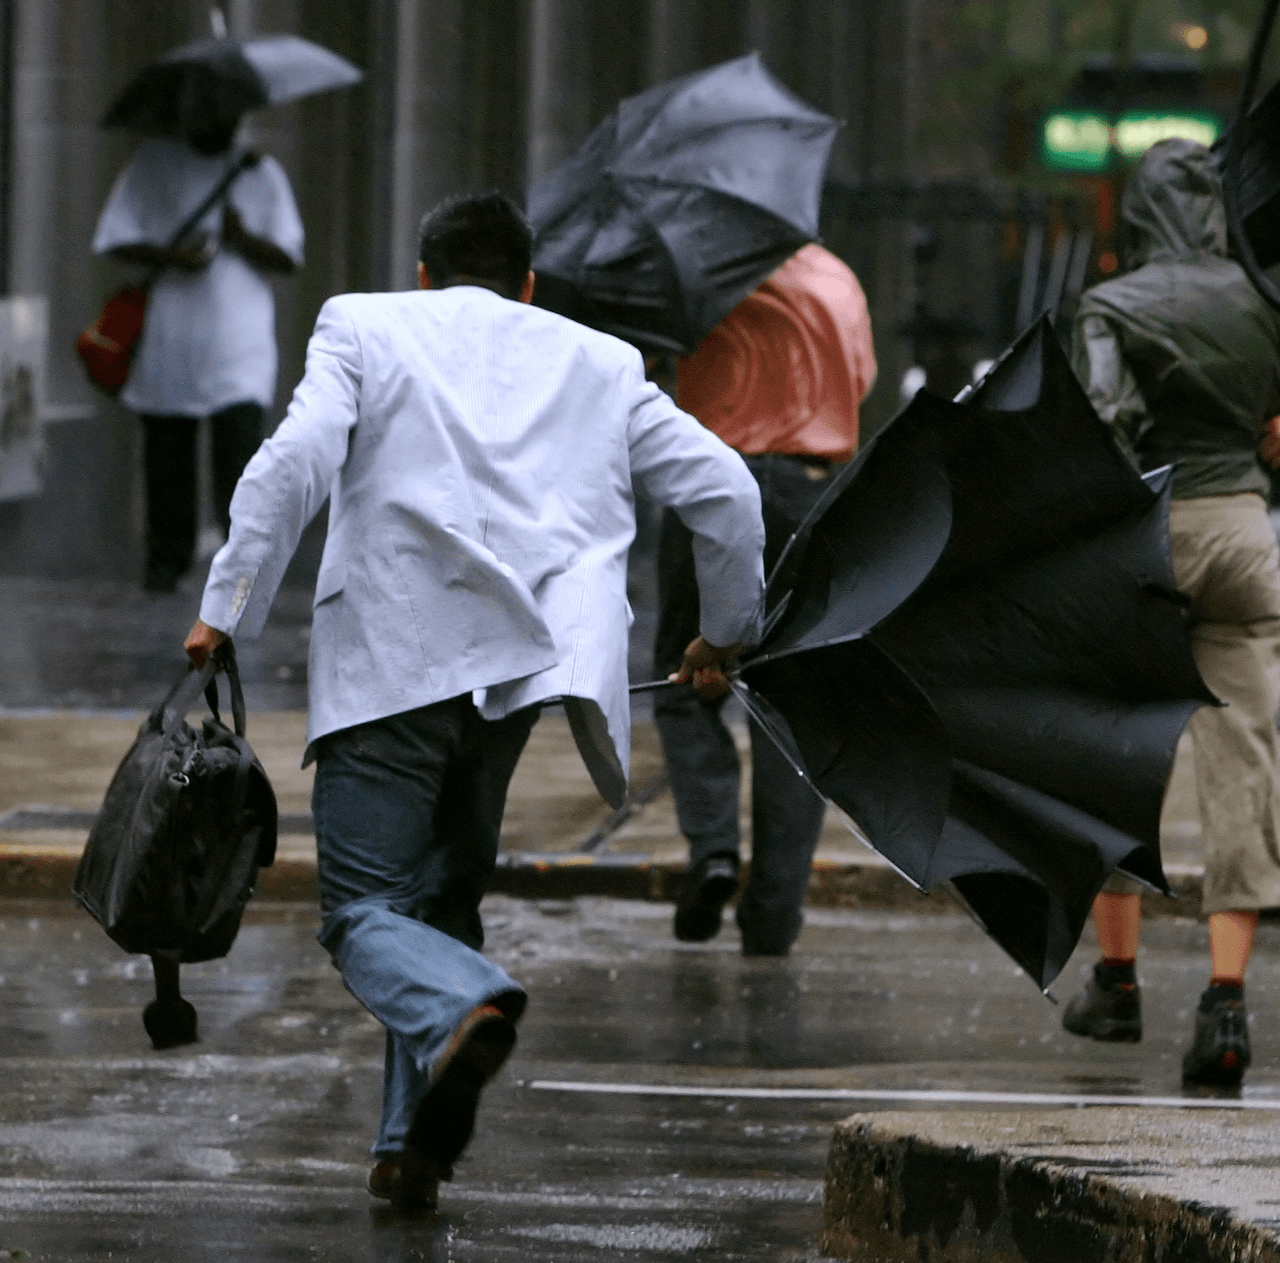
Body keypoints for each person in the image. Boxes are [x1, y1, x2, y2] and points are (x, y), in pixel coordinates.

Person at [183, 192, 765, 1209]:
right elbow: (726, 491)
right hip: (512, 682)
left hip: (388, 667)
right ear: (528, 283)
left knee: (364, 911)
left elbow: (294, 461)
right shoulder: (599, 361)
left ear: (421, 273)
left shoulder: (363, 323)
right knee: (443, 905)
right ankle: (410, 1150)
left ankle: (461, 1003)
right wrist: (723, 633)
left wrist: (226, 607)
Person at [1064, 138, 1280, 1087]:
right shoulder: (1265, 301)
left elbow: (1102, 428)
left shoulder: (1111, 306)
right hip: (1243, 534)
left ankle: (1117, 983)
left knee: (1121, 754)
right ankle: (1226, 1004)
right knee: (1246, 769)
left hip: (1145, 543)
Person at [654, 242, 876, 955]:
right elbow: (863, 379)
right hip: (814, 496)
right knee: (794, 705)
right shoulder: (839, 274)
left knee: (681, 682)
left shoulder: (703, 275)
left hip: (712, 481)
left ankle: (715, 849)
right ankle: (774, 913)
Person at [93, 118, 304, 592]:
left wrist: (242, 237)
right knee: (168, 456)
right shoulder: (152, 163)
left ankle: (242, 566)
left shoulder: (258, 171)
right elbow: (114, 236)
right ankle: (165, 561)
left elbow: (290, 255)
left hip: (240, 344)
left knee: (240, 458)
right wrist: (173, 256)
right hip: (171, 340)